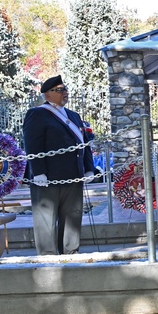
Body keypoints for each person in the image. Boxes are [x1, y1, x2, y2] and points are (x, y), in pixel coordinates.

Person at [23, 75, 97, 255]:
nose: (65, 93)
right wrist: (38, 172)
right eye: (59, 90)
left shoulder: (73, 115)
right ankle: (48, 255)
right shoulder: (37, 114)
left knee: (72, 216)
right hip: (48, 178)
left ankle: (70, 252)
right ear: (47, 95)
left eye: (65, 89)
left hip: (73, 175)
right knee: (46, 220)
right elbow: (33, 144)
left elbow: (84, 143)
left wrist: (88, 168)